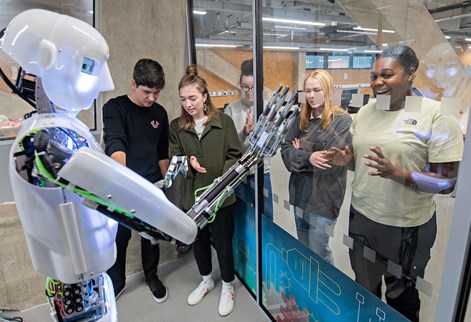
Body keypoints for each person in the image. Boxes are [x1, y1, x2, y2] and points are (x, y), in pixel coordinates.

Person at [326, 45, 464, 321]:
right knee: (364, 292)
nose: (378, 82)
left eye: (387, 74)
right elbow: (365, 165)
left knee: (401, 299)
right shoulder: (365, 112)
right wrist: (348, 161)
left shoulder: (437, 115)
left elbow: (446, 183)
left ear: (411, 74)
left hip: (407, 229)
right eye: (374, 75)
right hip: (363, 219)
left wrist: (396, 172)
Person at [169, 65, 242, 316]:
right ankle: (206, 279)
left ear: (204, 97)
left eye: (192, 98)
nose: (188, 104)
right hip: (193, 198)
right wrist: (188, 162)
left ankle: (228, 285)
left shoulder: (224, 123)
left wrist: (222, 179)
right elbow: (174, 157)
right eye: (183, 99)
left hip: (221, 199)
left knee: (223, 242)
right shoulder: (176, 127)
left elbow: (235, 155)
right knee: (197, 241)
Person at [103, 58, 170, 303]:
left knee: (150, 237)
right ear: (133, 83)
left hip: (151, 185)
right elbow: (115, 143)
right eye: (146, 92)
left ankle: (151, 277)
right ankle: (117, 280)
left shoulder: (160, 113)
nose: (151, 98)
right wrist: (125, 182)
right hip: (121, 187)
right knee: (120, 237)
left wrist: (167, 183)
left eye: (156, 93)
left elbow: (162, 152)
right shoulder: (115, 108)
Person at [280, 69, 352, 264]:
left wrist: (301, 152)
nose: (311, 96)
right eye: (308, 91)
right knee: (303, 248)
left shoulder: (342, 121)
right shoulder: (300, 120)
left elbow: (329, 161)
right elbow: (285, 150)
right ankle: (308, 290)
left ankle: (324, 291)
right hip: (300, 194)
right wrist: (310, 156)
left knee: (319, 252)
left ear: (327, 90)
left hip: (323, 200)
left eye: (317, 90)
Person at [224, 59, 274, 220]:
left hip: (262, 173)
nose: (248, 92)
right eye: (245, 87)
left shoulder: (269, 109)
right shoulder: (231, 110)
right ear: (240, 85)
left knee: (266, 217)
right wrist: (244, 132)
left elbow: (274, 149)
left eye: (252, 87)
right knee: (242, 216)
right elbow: (228, 148)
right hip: (238, 173)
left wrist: (271, 131)